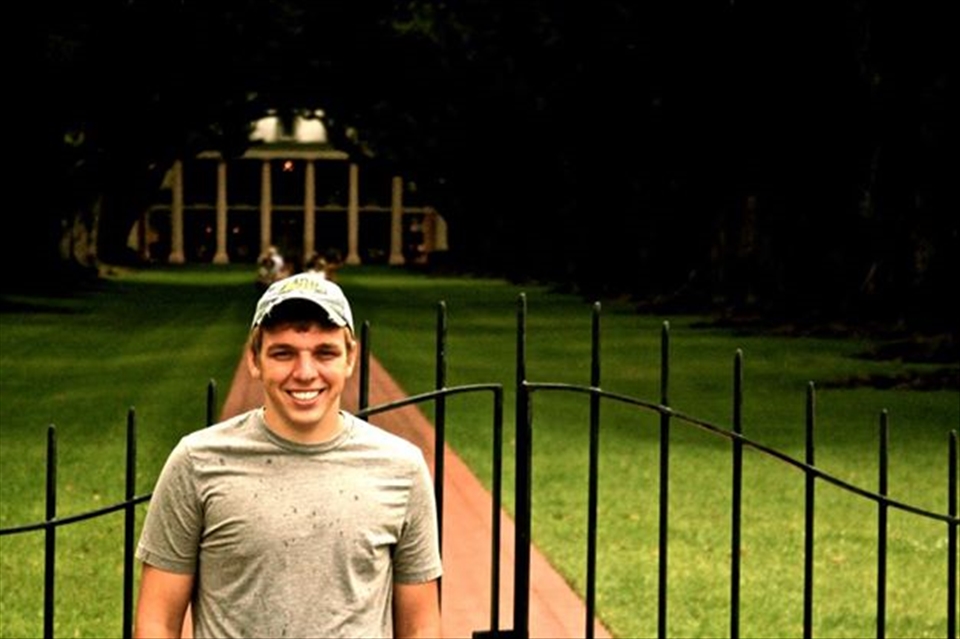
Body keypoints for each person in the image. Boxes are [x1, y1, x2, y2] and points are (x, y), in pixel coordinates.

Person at [133, 272, 443, 638]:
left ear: (350, 358)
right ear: (254, 358)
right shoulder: (198, 461)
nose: (305, 373)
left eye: (325, 352)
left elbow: (421, 625)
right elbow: (157, 621)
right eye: (283, 353)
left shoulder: (401, 468)